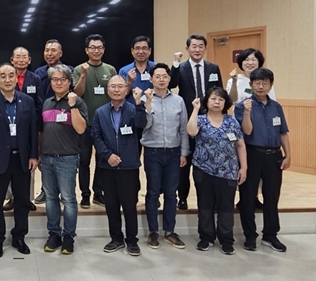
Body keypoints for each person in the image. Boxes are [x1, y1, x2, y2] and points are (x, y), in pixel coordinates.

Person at [0, 63, 38, 258]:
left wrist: (33, 155)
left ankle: (19, 236)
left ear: (16, 77)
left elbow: (32, 130)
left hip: (21, 158)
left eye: (11, 75)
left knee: (22, 201)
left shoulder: (27, 100)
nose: (7, 79)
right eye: (2, 76)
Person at [235, 68, 291, 253]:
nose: (260, 86)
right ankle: (250, 236)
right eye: (257, 83)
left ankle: (270, 235)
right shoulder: (243, 106)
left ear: (271, 85)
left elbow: (283, 132)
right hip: (252, 154)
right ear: (251, 85)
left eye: (264, 83)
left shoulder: (276, 107)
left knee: (272, 195)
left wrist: (288, 154)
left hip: (274, 155)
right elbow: (247, 131)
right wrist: (247, 113)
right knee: (248, 196)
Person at [187, 87, 247, 255]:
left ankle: (226, 240)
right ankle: (206, 237)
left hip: (228, 171)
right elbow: (191, 131)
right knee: (205, 205)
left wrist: (244, 167)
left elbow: (240, 145)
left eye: (220, 99)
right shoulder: (200, 119)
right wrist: (195, 109)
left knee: (226, 207)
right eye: (213, 99)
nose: (217, 102)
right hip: (203, 169)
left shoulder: (231, 121)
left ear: (225, 103)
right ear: (207, 101)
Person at [91, 75, 147, 257]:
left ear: (126, 89)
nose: (116, 90)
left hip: (129, 166)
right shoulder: (100, 112)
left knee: (130, 205)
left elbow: (142, 124)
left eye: (120, 86)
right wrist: (107, 155)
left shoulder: (133, 109)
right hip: (107, 166)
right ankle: (116, 238)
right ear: (108, 90)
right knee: (111, 205)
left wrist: (139, 104)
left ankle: (132, 240)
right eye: (113, 86)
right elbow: (95, 136)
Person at [169, 34, 223, 210]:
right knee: (185, 159)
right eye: (194, 46)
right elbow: (172, 84)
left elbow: (219, 92)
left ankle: (210, 198)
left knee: (210, 158)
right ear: (187, 49)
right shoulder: (181, 67)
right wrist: (175, 64)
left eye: (201, 46)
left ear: (205, 48)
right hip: (187, 118)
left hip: (209, 119)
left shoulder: (213, 68)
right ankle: (182, 197)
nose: (197, 49)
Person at [40, 64, 87, 255]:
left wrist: (73, 105)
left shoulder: (78, 102)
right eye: (55, 79)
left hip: (67, 158)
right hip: (47, 158)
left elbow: (81, 129)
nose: (58, 83)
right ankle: (54, 234)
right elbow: (42, 132)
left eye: (63, 79)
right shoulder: (47, 103)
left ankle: (68, 236)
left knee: (68, 199)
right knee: (51, 199)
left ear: (69, 81)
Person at [141, 63, 189, 249]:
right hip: (153, 151)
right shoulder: (145, 98)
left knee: (171, 192)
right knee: (153, 192)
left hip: (174, 152)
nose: (161, 79)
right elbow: (145, 125)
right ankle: (153, 232)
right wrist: (148, 104)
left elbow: (183, 128)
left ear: (169, 79)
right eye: (157, 76)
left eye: (164, 76)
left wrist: (184, 152)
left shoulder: (178, 100)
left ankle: (169, 231)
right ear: (151, 79)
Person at [226, 48, 274, 211]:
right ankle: (243, 197)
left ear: (259, 62)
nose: (250, 62)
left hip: (260, 128)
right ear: (241, 63)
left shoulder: (265, 79)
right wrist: (233, 81)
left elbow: (272, 103)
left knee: (257, 165)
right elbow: (231, 100)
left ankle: (254, 197)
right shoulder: (236, 79)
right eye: (246, 59)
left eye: (254, 59)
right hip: (239, 127)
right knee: (241, 163)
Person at [73, 34, 117, 208]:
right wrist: (84, 76)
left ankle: (99, 192)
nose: (96, 50)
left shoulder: (110, 70)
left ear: (104, 50)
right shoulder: (79, 69)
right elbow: (77, 94)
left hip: (105, 123)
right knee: (84, 160)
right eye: (92, 47)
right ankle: (85, 194)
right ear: (86, 50)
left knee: (102, 159)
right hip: (85, 123)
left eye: (99, 47)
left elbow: (115, 93)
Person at [33, 39, 73, 205]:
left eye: (53, 50)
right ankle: (46, 189)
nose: (49, 53)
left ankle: (64, 191)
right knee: (44, 154)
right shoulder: (39, 72)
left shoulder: (69, 70)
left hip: (63, 117)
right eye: (47, 50)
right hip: (43, 117)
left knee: (63, 156)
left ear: (60, 53)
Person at [6, 46, 43, 211]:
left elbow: (39, 103)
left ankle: (27, 198)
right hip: (8, 125)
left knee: (29, 162)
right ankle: (11, 198)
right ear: (12, 60)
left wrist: (36, 125)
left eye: (24, 57)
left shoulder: (36, 79)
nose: (21, 60)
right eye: (18, 57)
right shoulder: (6, 77)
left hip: (28, 127)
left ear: (29, 60)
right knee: (8, 162)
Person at [119, 36, 157, 158]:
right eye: (137, 48)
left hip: (153, 114)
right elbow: (120, 95)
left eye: (144, 48)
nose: (141, 51)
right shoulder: (124, 71)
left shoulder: (156, 68)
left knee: (152, 154)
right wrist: (129, 82)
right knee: (132, 153)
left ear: (150, 51)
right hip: (131, 115)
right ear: (132, 51)